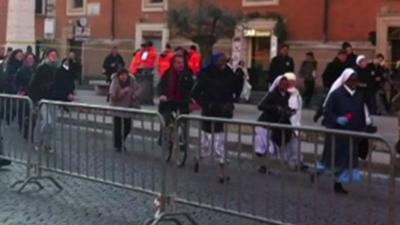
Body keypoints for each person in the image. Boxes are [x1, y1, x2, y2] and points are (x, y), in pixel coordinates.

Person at [319, 68, 372, 194]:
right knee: (334, 159)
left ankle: (338, 183)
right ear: (345, 80)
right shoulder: (336, 95)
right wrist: (337, 119)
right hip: (339, 134)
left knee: (346, 160)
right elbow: (327, 111)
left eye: (355, 80)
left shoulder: (358, 96)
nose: (354, 82)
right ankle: (320, 174)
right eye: (351, 79)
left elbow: (360, 114)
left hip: (352, 133)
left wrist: (364, 129)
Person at [191, 53, 236, 183]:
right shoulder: (206, 74)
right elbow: (196, 93)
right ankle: (197, 157)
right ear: (215, 62)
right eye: (221, 61)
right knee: (206, 143)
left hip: (221, 113)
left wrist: (230, 104)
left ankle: (222, 171)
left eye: (225, 61)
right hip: (209, 113)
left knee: (219, 142)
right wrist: (207, 104)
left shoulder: (228, 73)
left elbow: (231, 90)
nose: (224, 63)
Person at [254, 76, 291, 174]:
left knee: (271, 148)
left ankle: (264, 166)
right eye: (283, 83)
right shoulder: (272, 94)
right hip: (264, 124)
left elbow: (285, 106)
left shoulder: (287, 95)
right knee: (268, 148)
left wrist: (288, 111)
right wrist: (274, 108)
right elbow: (261, 106)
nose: (285, 86)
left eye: (286, 84)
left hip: (274, 124)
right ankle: (262, 165)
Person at [109, 68, 140, 152]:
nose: (123, 77)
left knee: (128, 126)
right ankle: (118, 145)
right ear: (118, 76)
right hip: (117, 107)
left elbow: (138, 89)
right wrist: (123, 92)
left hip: (127, 107)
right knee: (117, 127)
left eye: (125, 75)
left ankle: (121, 142)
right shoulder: (115, 82)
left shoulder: (132, 80)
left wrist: (134, 95)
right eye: (121, 75)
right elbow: (113, 96)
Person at [158, 54, 194, 126]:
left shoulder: (188, 74)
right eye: (178, 63)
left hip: (183, 103)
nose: (181, 65)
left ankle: (182, 135)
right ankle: (168, 132)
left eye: (182, 63)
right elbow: (161, 85)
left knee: (183, 123)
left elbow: (191, 88)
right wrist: (162, 94)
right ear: (173, 64)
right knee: (167, 121)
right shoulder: (168, 73)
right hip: (169, 102)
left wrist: (192, 100)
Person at [314, 50, 348, 122]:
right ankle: (321, 114)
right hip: (332, 87)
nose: (344, 58)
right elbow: (325, 75)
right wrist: (327, 85)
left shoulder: (345, 66)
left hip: (340, 88)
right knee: (327, 102)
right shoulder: (332, 65)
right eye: (343, 56)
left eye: (345, 56)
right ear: (339, 56)